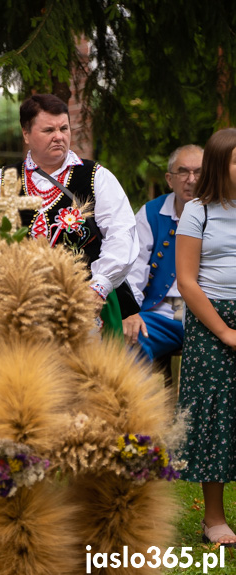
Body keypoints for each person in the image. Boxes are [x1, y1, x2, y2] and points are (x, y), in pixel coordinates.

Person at [0, 94, 138, 333]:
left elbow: (122, 235)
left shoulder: (96, 178)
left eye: (64, 128)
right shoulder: (0, 183)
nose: (59, 137)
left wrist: (98, 286)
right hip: (18, 311)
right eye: (48, 130)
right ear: (26, 134)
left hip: (83, 305)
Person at [175, 128, 236, 548]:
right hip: (213, 321)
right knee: (216, 417)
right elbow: (186, 281)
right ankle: (213, 518)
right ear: (220, 165)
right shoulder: (198, 212)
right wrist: (226, 332)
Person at [123, 145, 203, 363]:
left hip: (207, 317)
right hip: (159, 316)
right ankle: (137, 398)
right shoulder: (150, 214)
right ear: (169, 179)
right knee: (128, 340)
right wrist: (130, 313)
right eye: (183, 171)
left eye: (199, 172)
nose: (192, 179)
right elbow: (134, 268)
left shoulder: (222, 214)